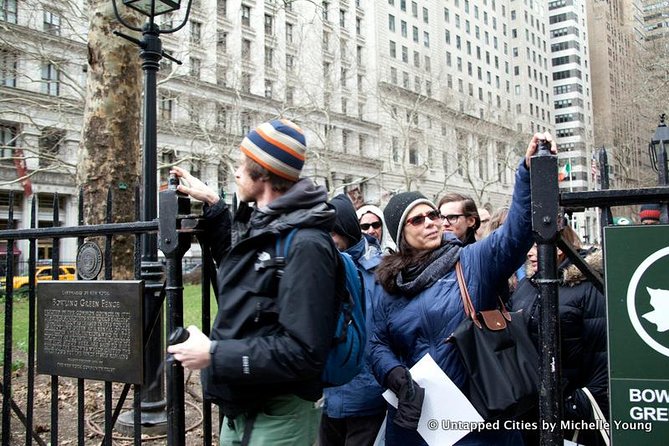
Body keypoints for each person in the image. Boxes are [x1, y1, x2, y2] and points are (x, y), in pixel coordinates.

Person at [369, 133, 556, 445]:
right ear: (401, 234)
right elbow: (375, 343)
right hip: (416, 420)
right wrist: (393, 375)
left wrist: (526, 173)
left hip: (478, 416)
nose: (431, 222)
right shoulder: (388, 281)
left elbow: (515, 234)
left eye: (433, 215)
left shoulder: (470, 261)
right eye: (417, 220)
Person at [167, 119, 340, 446]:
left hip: (280, 414)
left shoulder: (307, 244)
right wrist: (213, 204)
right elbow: (240, 267)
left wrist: (214, 354)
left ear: (262, 174)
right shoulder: (267, 226)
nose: (235, 172)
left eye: (240, 165)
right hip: (242, 408)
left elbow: (304, 352)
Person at [509, 226, 607, 446]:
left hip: (571, 414)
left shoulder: (587, 286)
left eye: (535, 246)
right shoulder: (527, 285)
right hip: (533, 409)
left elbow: (602, 354)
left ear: (559, 246)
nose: (530, 253)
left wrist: (574, 405)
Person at [320, 194, 386, 446]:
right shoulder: (322, 264)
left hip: (366, 397)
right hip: (326, 396)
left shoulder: (380, 272)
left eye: (331, 232)